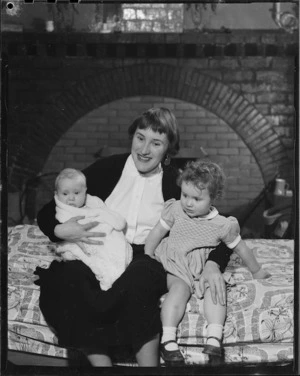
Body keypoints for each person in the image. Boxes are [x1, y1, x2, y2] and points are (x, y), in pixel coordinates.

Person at [35, 107, 232, 367]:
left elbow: (221, 226)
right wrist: (61, 230)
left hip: (147, 254)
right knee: (67, 278)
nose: (144, 149)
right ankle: (101, 364)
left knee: (137, 284)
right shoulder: (106, 168)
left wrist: (213, 263)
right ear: (132, 137)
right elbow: (48, 212)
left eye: (156, 143)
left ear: (168, 150)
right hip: (101, 249)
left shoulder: (177, 181)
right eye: (140, 138)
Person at [145, 159, 270, 365]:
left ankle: (214, 338)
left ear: (213, 197)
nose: (188, 202)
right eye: (185, 195)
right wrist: (148, 254)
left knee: (215, 290)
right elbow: (157, 232)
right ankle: (168, 340)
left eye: (196, 198)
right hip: (177, 263)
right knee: (179, 291)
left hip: (203, 268)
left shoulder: (222, 224)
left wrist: (256, 271)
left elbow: (241, 248)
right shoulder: (175, 209)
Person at [53, 168, 132, 291]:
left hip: (103, 237)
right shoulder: (64, 213)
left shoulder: (94, 203)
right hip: (83, 244)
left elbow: (112, 219)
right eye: (65, 193)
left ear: (85, 192)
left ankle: (114, 275)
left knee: (115, 245)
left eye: (76, 193)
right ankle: (106, 276)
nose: (71, 198)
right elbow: (65, 230)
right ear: (57, 194)